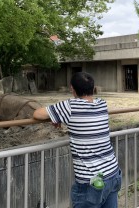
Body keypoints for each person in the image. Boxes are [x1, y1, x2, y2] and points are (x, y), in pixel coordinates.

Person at [33, 71, 122, 208]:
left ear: (72, 89)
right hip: (113, 173)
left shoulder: (70, 106)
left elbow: (37, 114)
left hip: (91, 182)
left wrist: (56, 117)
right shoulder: (102, 104)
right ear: (93, 89)